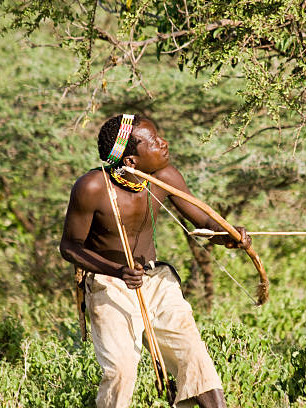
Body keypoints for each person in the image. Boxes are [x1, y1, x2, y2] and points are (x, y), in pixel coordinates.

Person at [59, 114, 251, 408]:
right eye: (154, 141)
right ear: (132, 161)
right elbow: (69, 247)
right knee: (121, 369)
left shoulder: (165, 176)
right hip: (108, 283)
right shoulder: (92, 187)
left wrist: (228, 235)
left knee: (193, 354)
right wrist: (118, 271)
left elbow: (201, 220)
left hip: (155, 279)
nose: (164, 144)